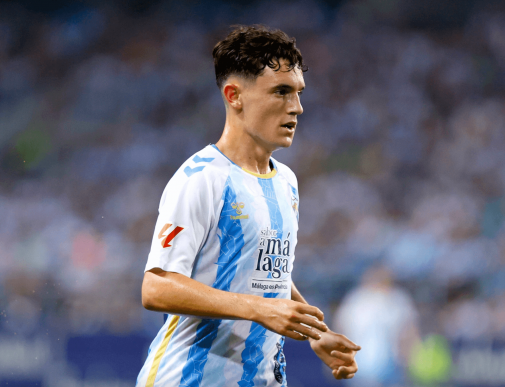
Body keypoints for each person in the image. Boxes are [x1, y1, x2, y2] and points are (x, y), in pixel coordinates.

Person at [135, 25, 361, 387]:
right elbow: (156, 287)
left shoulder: (286, 181)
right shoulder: (201, 178)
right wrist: (259, 308)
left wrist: (317, 332)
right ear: (234, 95)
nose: (297, 107)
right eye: (281, 92)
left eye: (299, 93)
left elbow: (268, 274)